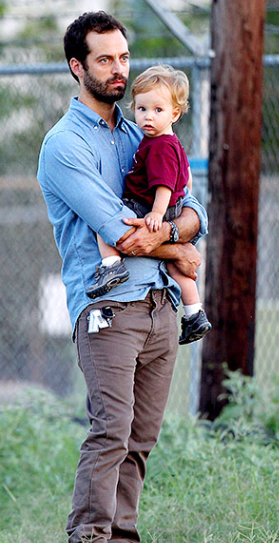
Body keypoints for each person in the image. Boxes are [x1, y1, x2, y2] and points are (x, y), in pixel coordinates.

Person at [37, 11, 208, 543]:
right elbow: (118, 231)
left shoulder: (144, 127)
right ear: (77, 67)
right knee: (110, 431)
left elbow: (193, 208)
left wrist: (178, 236)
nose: (118, 69)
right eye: (105, 59)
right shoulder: (64, 146)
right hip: (108, 308)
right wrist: (179, 249)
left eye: (124, 57)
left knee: (141, 438)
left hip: (161, 306)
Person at [86, 64, 211, 345]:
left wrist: (156, 213)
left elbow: (163, 184)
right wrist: (177, 201)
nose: (148, 117)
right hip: (171, 207)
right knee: (176, 266)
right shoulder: (171, 142)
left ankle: (111, 265)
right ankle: (194, 313)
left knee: (105, 225)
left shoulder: (158, 146)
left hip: (148, 205)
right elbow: (186, 178)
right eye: (142, 109)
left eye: (158, 110)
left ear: (174, 114)